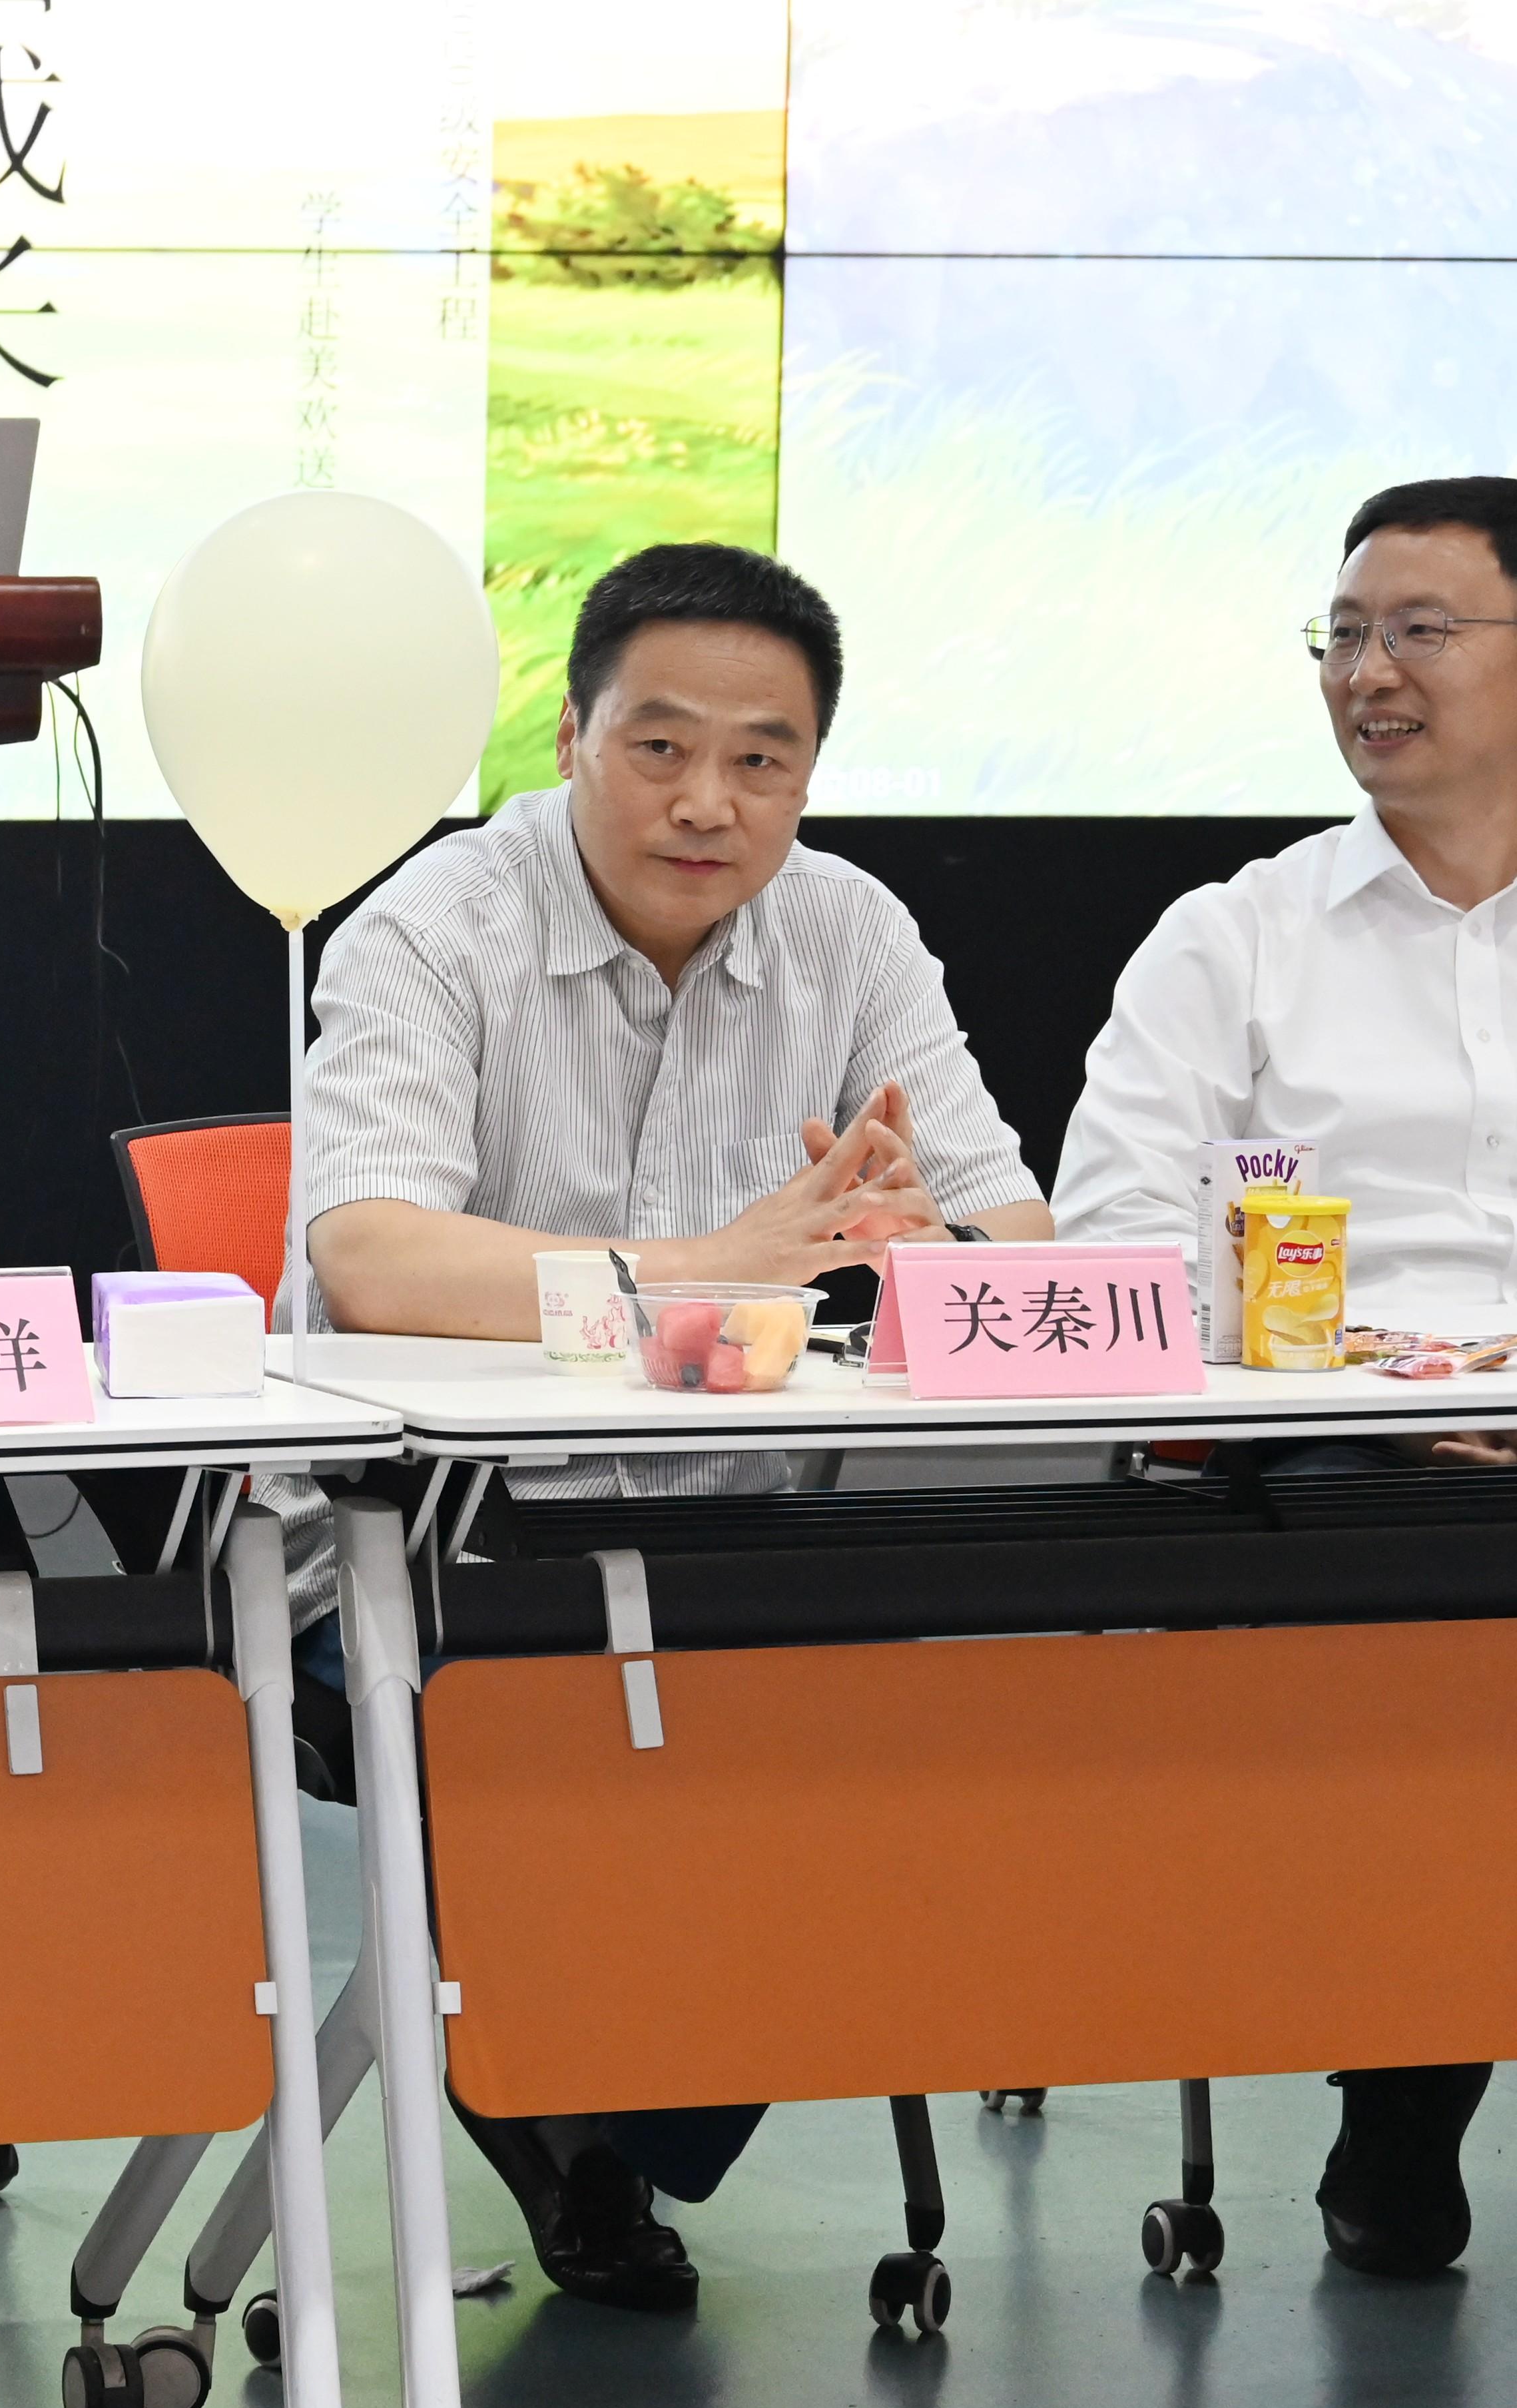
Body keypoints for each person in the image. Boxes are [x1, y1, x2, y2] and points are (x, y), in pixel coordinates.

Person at [300, 540, 1049, 2309]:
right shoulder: (435, 925)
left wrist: (926, 1254)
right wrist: (707, 1270)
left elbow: (1013, 1235)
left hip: (736, 1542)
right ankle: (568, 2103)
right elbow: (371, 1254)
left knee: (904, 1727)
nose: (708, 802)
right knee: (626, 1739)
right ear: (570, 736)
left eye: (762, 759)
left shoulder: (849, 931)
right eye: (660, 747)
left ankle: (586, 2107)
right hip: (437, 1554)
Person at [1054, 471, 1517, 2279]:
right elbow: (1116, 1240)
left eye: (1419, 631)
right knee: (1435, 1582)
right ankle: (1410, 2089)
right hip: (1332, 1448)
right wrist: (1359, 1379)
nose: (1366, 674)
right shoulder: (1234, 937)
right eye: (1342, 636)